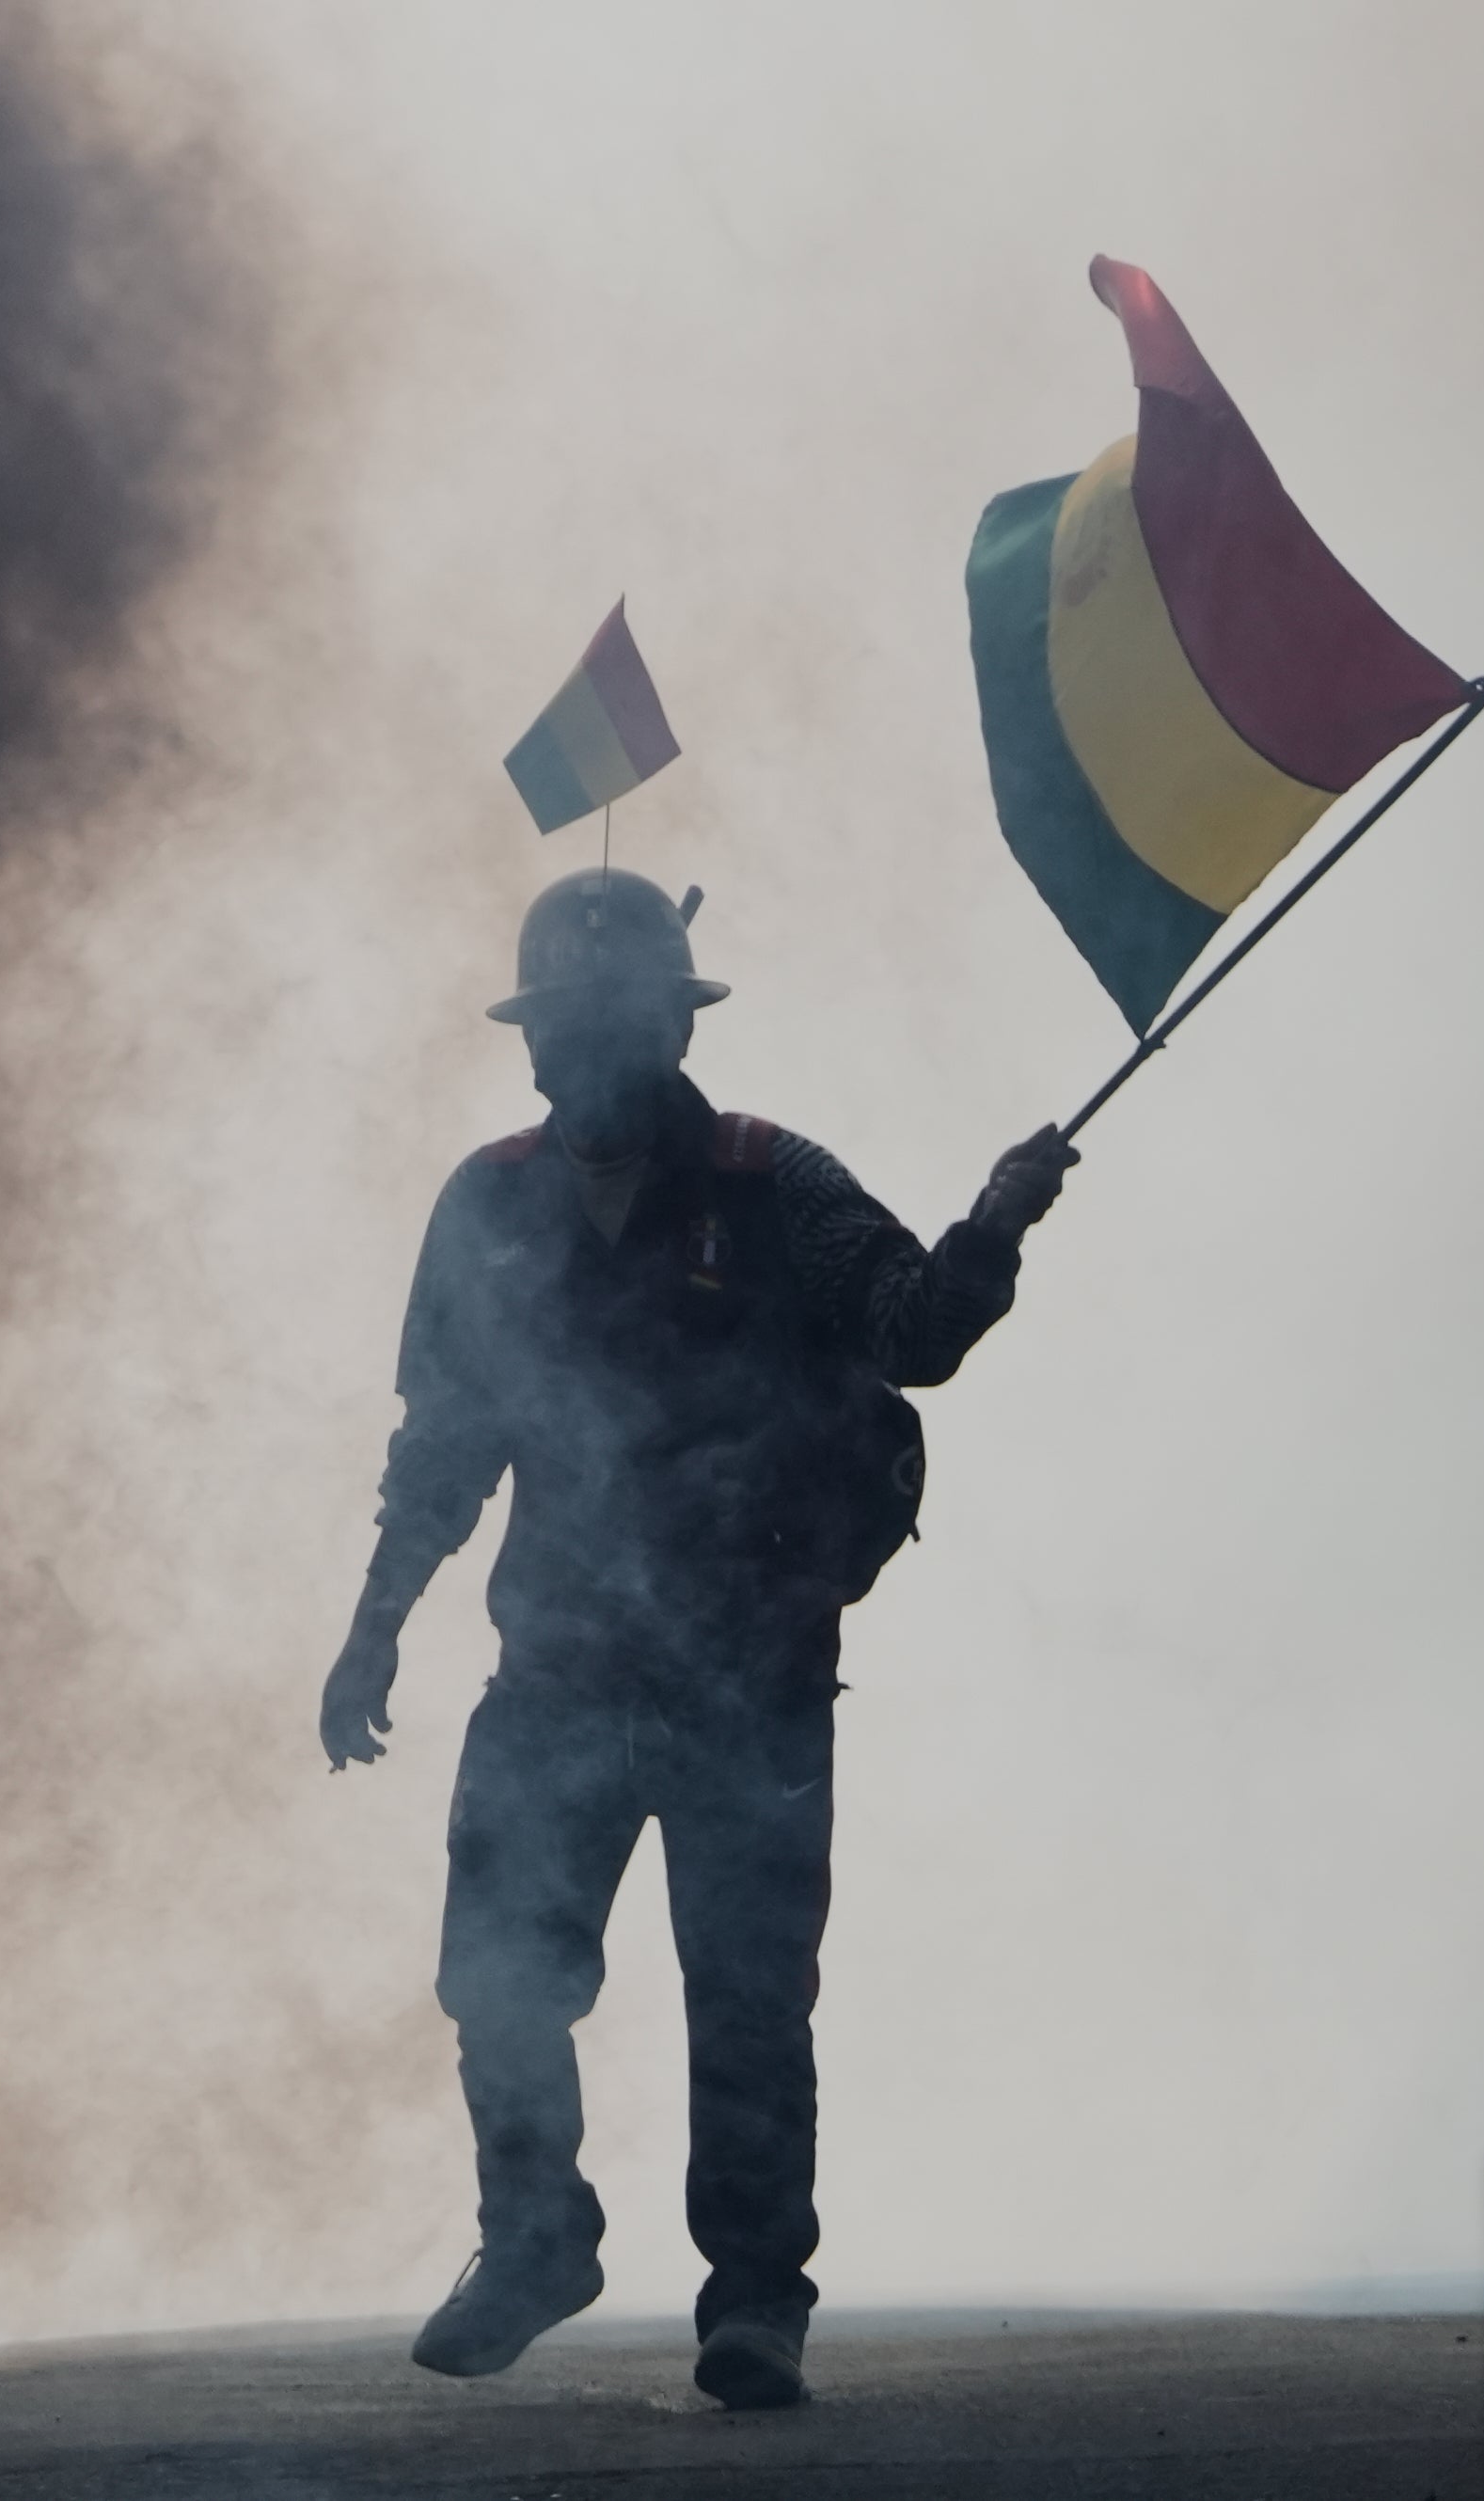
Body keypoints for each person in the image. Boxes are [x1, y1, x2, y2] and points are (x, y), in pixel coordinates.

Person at [319, 867, 1076, 2410]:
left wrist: (991, 1228)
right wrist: (373, 1630)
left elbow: (911, 1332)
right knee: (499, 1979)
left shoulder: (771, 1181)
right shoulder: (485, 1205)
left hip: (754, 1677)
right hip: (558, 1674)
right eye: (557, 1031)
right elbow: (441, 1443)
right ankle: (535, 2237)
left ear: (670, 1027)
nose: (577, 1059)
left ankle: (754, 2303)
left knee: (747, 1998)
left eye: (610, 1026)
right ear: (528, 1047)